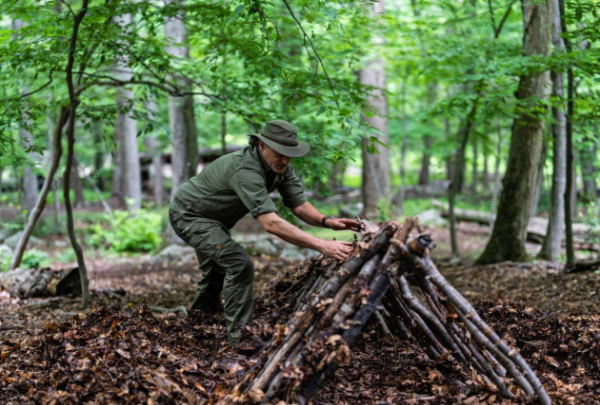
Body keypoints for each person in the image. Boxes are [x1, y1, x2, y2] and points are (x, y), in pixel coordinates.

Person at [168, 119, 363, 345]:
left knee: (217, 271)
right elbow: (271, 223)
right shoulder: (246, 170)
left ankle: (199, 323)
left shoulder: (280, 167)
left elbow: (299, 205)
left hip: (214, 221)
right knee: (238, 263)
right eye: (280, 152)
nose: (285, 159)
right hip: (189, 216)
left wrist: (327, 222)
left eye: (290, 153)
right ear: (261, 146)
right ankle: (240, 339)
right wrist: (322, 245)